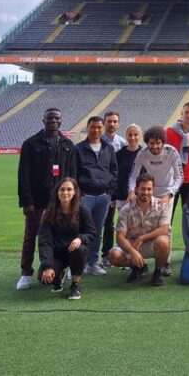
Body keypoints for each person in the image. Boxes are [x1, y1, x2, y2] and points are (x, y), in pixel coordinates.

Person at [16, 107, 77, 290]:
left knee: (64, 236)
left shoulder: (68, 145)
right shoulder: (31, 144)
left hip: (62, 202)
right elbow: (23, 175)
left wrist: (72, 200)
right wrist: (27, 202)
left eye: (57, 119)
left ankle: (64, 267)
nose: (53, 121)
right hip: (38, 201)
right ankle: (26, 273)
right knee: (31, 236)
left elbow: (72, 175)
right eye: (50, 119)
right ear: (43, 121)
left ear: (61, 121)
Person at [127, 126, 182, 276]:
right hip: (149, 192)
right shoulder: (142, 153)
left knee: (166, 227)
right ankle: (140, 262)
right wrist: (132, 192)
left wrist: (170, 194)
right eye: (152, 143)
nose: (155, 146)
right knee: (143, 226)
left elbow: (179, 177)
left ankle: (166, 262)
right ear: (147, 143)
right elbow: (133, 176)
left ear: (163, 142)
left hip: (166, 193)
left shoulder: (171, 152)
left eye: (158, 143)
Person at [108, 174, 172, 287]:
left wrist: (142, 239)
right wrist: (133, 252)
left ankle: (157, 273)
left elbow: (164, 229)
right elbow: (120, 237)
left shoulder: (161, 206)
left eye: (149, 189)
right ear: (136, 189)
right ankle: (138, 267)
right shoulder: (126, 209)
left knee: (164, 241)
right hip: (132, 245)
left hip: (152, 243)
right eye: (143, 189)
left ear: (153, 189)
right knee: (114, 256)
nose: (146, 192)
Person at [37, 178, 96, 300]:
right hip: (57, 253)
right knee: (44, 279)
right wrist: (47, 266)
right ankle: (59, 275)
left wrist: (80, 238)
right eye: (62, 189)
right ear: (57, 192)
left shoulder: (83, 210)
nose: (65, 192)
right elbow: (44, 242)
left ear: (75, 192)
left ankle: (75, 285)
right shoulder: (49, 213)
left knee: (79, 250)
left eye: (69, 189)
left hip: (76, 251)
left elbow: (91, 233)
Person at [75, 115, 118, 277]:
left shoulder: (108, 148)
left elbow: (114, 171)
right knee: (81, 230)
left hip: (103, 197)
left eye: (99, 127)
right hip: (85, 197)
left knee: (97, 231)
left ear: (103, 128)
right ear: (87, 128)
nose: (96, 130)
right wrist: (79, 193)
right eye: (93, 127)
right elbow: (73, 172)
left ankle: (92, 263)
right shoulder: (78, 149)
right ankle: (77, 263)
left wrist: (110, 191)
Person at [106, 123, 143, 267]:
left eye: (135, 135)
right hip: (122, 196)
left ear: (140, 136)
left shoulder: (144, 153)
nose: (133, 138)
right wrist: (113, 197)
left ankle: (138, 255)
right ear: (126, 136)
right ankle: (124, 254)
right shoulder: (119, 154)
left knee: (138, 226)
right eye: (130, 135)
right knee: (123, 226)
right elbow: (114, 177)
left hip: (141, 197)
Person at [100, 111, 126, 268]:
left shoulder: (122, 142)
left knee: (124, 223)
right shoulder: (98, 141)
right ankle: (106, 255)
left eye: (115, 121)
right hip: (104, 189)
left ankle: (123, 253)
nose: (112, 124)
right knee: (107, 223)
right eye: (109, 121)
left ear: (118, 123)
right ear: (104, 123)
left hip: (120, 188)